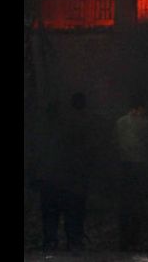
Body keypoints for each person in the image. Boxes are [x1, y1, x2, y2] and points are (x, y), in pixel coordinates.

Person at [38, 92, 93, 252]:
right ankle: (73, 242)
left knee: (50, 213)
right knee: (72, 212)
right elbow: (83, 151)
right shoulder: (75, 126)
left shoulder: (43, 129)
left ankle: (50, 242)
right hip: (69, 177)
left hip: (50, 177)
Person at [116, 98, 148, 251]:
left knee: (125, 204)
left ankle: (124, 240)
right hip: (139, 165)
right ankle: (134, 239)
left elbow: (116, 142)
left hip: (124, 165)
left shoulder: (119, 122)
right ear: (139, 108)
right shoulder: (144, 123)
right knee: (137, 203)